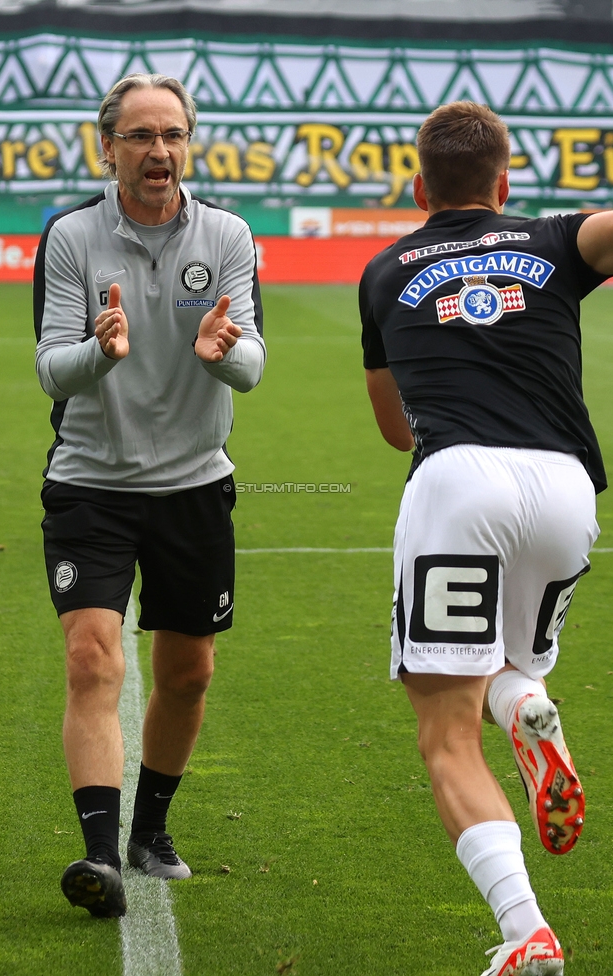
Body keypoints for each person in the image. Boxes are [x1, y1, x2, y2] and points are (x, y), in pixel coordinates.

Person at [359, 101, 611, 975]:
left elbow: (394, 428)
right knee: (511, 661)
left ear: (419, 186)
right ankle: (527, 707)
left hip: (459, 479)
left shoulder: (386, 270)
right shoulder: (552, 240)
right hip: (567, 492)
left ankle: (524, 930)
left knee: (444, 728)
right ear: (505, 183)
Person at [34, 72, 265, 918]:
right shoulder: (70, 237)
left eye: (172, 135)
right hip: (91, 480)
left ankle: (149, 831)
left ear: (187, 144)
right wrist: (100, 351)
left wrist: (219, 354)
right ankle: (99, 856)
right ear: (110, 148)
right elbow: (50, 367)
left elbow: (254, 364)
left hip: (194, 487)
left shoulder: (229, 234)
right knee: (93, 658)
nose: (160, 151)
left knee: (188, 671)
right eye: (141, 136)